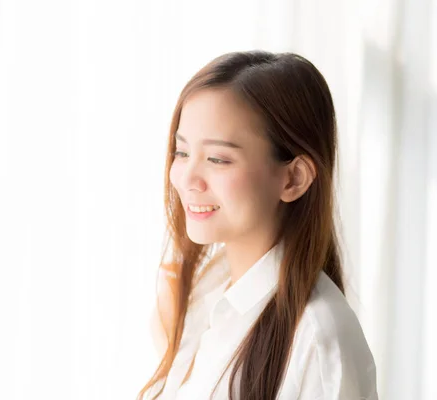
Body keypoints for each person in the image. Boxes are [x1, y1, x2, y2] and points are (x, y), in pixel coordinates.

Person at [137, 50, 378, 400]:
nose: (187, 178)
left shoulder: (319, 338)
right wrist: (170, 344)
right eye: (182, 152)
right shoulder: (205, 293)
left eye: (218, 159)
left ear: (293, 178)